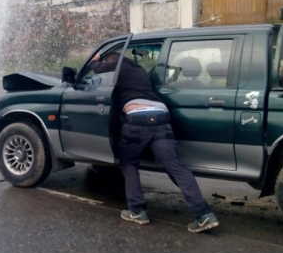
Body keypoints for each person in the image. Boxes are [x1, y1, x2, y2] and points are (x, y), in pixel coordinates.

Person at [89, 50, 219, 233]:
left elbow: (96, 69)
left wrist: (95, 60)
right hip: (160, 117)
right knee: (175, 167)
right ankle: (204, 215)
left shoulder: (117, 66)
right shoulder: (139, 70)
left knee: (128, 163)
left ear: (111, 61)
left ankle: (137, 210)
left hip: (137, 119)